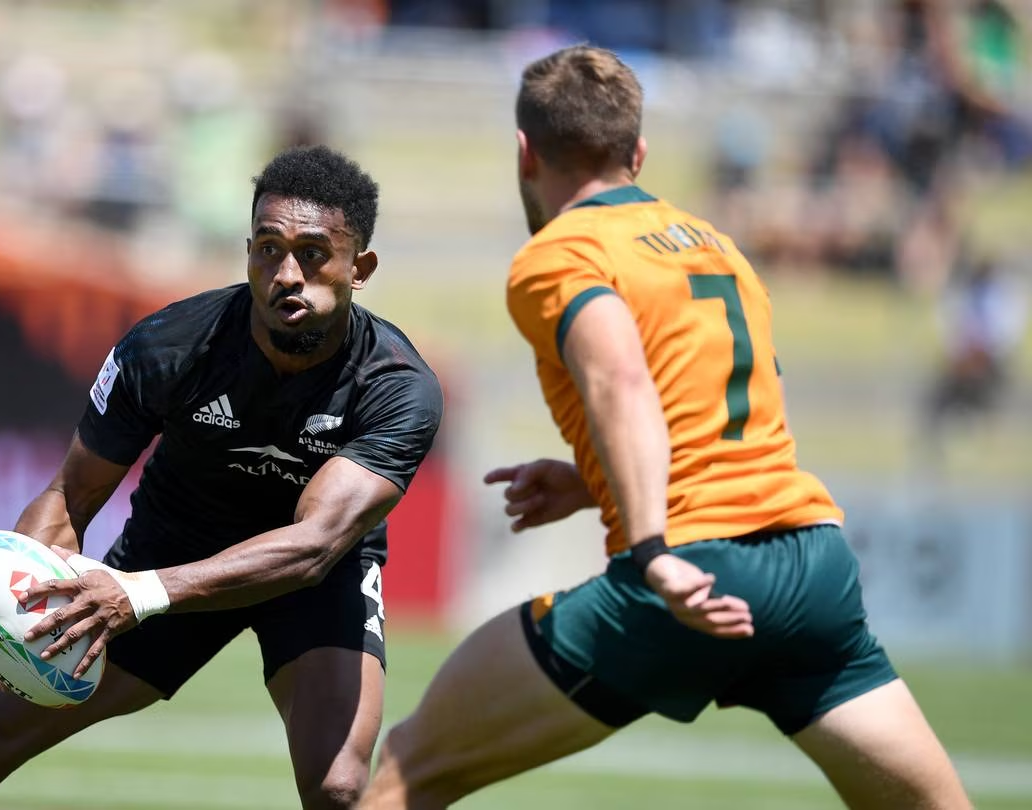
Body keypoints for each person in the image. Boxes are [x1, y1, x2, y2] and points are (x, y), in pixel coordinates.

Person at [360, 46, 970, 809]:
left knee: (408, 769)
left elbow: (622, 378)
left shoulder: (560, 254)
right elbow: (712, 409)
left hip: (689, 565)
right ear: (638, 152)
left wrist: (650, 551)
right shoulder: (717, 245)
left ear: (525, 151)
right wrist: (592, 483)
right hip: (812, 565)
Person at [0, 144, 443, 810]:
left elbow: (314, 546)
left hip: (307, 577)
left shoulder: (397, 387)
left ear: (359, 268)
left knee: (337, 786)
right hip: (170, 549)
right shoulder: (167, 347)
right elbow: (71, 497)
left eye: (312, 254)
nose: (286, 274)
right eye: (269, 249)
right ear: (247, 251)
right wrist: (18, 605)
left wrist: (142, 593)